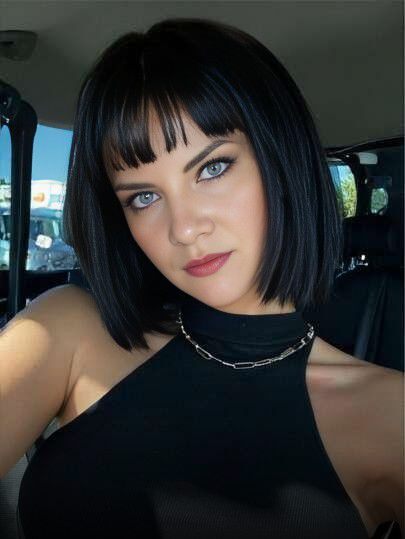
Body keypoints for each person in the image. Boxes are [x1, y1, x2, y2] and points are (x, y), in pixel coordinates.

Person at [0, 17, 403, 539]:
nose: (185, 228)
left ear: (280, 160)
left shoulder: (389, 414)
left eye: (212, 168)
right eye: (144, 197)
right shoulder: (69, 325)